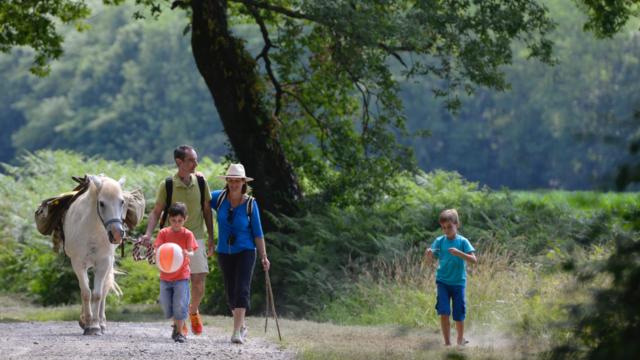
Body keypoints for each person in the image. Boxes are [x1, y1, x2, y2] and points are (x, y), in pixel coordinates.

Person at [141, 145, 214, 335]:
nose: (196, 164)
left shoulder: (201, 181)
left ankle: (192, 311)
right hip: (171, 242)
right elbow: (156, 212)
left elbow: (207, 211)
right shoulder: (167, 185)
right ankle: (178, 325)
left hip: (195, 237)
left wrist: (211, 238)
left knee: (198, 282)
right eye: (191, 160)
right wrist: (148, 234)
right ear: (179, 162)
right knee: (175, 285)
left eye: (195, 159)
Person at [209, 163, 270, 344]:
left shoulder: (251, 204)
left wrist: (264, 256)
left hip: (246, 250)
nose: (234, 184)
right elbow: (200, 194)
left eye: (238, 181)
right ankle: (242, 325)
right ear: (227, 181)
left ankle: (236, 332)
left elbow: (258, 233)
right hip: (224, 251)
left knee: (242, 288)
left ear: (244, 182)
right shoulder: (218, 198)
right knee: (230, 292)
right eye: (231, 180)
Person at [424, 209, 477, 346]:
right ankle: (447, 343)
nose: (446, 230)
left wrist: (459, 253)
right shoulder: (439, 241)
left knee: (458, 313)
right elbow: (429, 263)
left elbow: (474, 260)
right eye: (443, 228)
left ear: (456, 225)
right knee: (444, 311)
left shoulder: (463, 242)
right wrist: (428, 255)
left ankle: (460, 339)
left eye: (449, 227)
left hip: (459, 283)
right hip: (442, 282)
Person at [154, 202, 198, 343]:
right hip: (165, 276)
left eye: (180, 220)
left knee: (180, 303)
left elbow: (191, 251)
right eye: (173, 220)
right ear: (169, 220)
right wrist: (157, 255)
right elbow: (158, 249)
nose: (177, 223)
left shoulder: (188, 235)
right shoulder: (163, 233)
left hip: (181, 276)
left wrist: (187, 253)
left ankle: (179, 332)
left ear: (185, 219)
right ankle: (176, 325)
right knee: (167, 306)